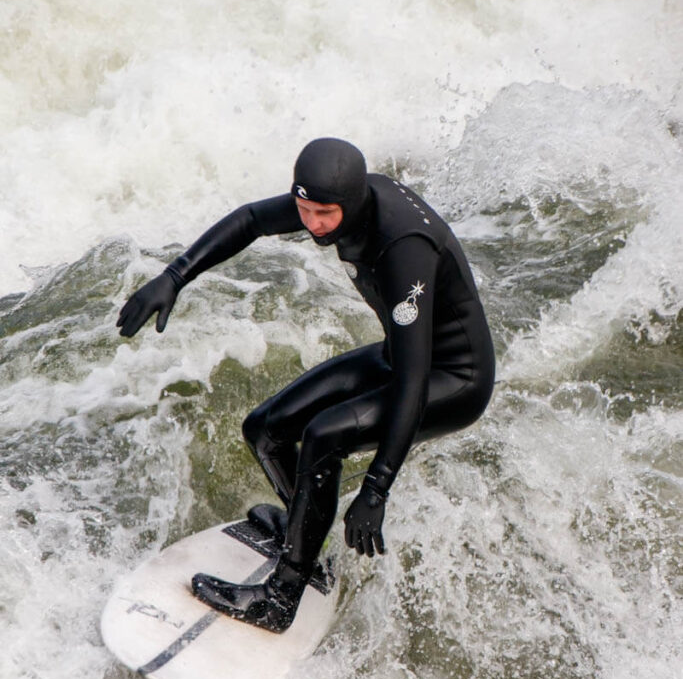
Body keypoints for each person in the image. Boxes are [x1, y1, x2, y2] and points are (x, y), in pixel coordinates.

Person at [117, 138, 495, 633]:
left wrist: (377, 488)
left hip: (453, 378)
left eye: (324, 214)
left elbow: (412, 383)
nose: (312, 223)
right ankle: (306, 536)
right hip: (399, 356)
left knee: (324, 435)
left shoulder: (404, 248)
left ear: (352, 203)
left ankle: (280, 596)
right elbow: (251, 219)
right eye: (305, 209)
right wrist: (173, 277)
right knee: (265, 429)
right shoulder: (330, 200)